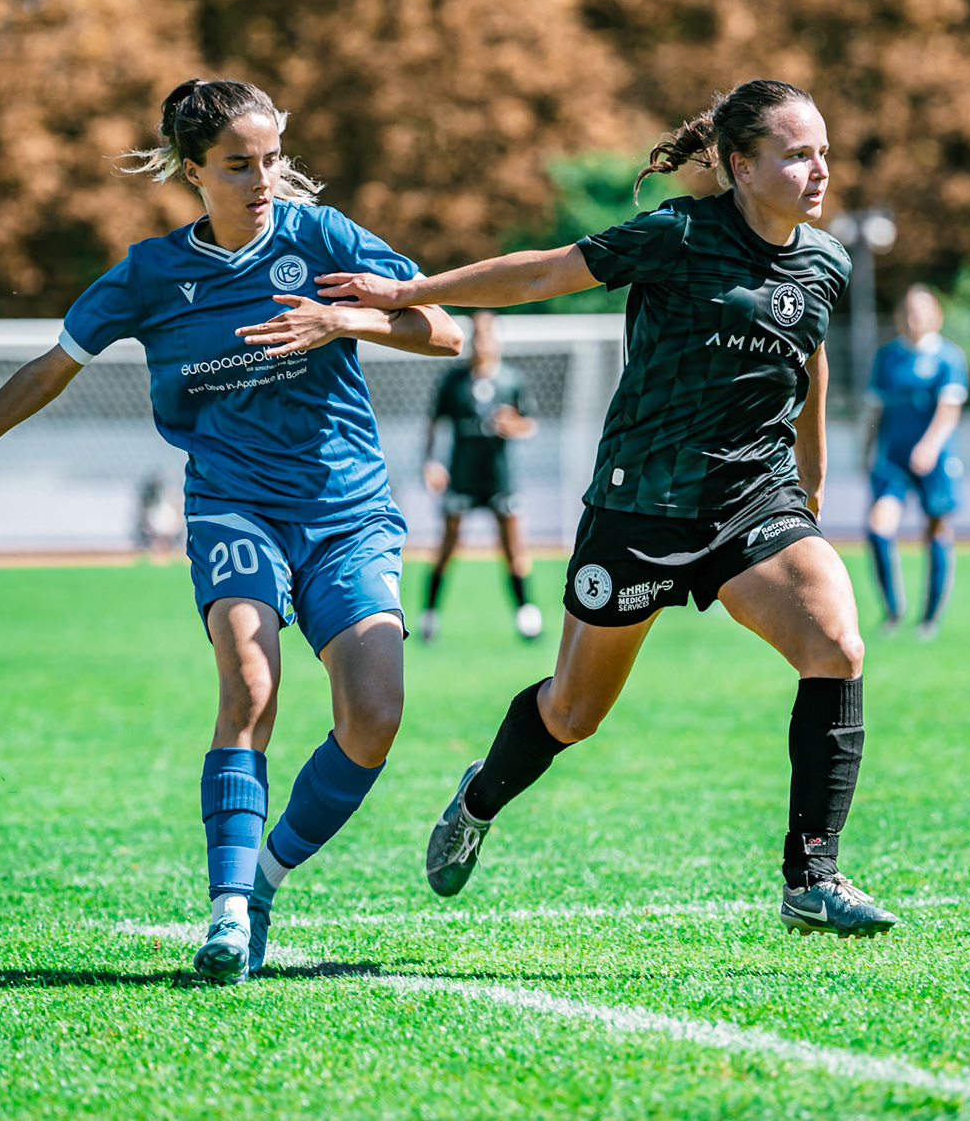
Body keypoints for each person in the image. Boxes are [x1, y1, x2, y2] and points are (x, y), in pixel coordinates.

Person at [0, 78, 462, 982]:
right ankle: (228, 913)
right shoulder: (150, 275)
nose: (262, 181)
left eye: (271, 160)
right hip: (233, 503)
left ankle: (262, 880)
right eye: (238, 164)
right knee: (251, 683)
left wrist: (342, 318)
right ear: (193, 171)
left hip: (346, 511)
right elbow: (49, 370)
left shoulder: (324, 238)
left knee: (375, 717)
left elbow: (444, 331)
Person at [299, 79, 896, 938]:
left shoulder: (827, 261)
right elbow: (544, 271)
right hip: (642, 505)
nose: (820, 170)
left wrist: (811, 478)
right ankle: (478, 799)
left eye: (824, 153)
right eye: (797, 155)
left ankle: (813, 876)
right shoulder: (678, 234)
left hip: (752, 501)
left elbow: (811, 358)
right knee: (572, 713)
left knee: (836, 643)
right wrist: (408, 292)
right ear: (739, 166)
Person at [419, 310, 543, 643]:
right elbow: (434, 424)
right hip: (461, 476)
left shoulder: (511, 379)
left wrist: (514, 425)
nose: (482, 342)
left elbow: (529, 424)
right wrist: (430, 462)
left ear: (497, 339)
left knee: (512, 547)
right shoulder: (453, 381)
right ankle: (429, 617)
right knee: (447, 545)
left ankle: (527, 615)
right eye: (477, 335)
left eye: (488, 335)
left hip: (500, 478)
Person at [863, 286, 967, 641]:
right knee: (878, 528)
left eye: (921, 311)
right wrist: (867, 449)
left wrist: (929, 446)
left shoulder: (949, 357)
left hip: (934, 461)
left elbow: (949, 411)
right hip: (893, 459)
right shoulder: (888, 357)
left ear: (936, 315)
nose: (914, 318)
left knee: (936, 530)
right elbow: (875, 409)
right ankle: (893, 612)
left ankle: (929, 619)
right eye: (908, 311)